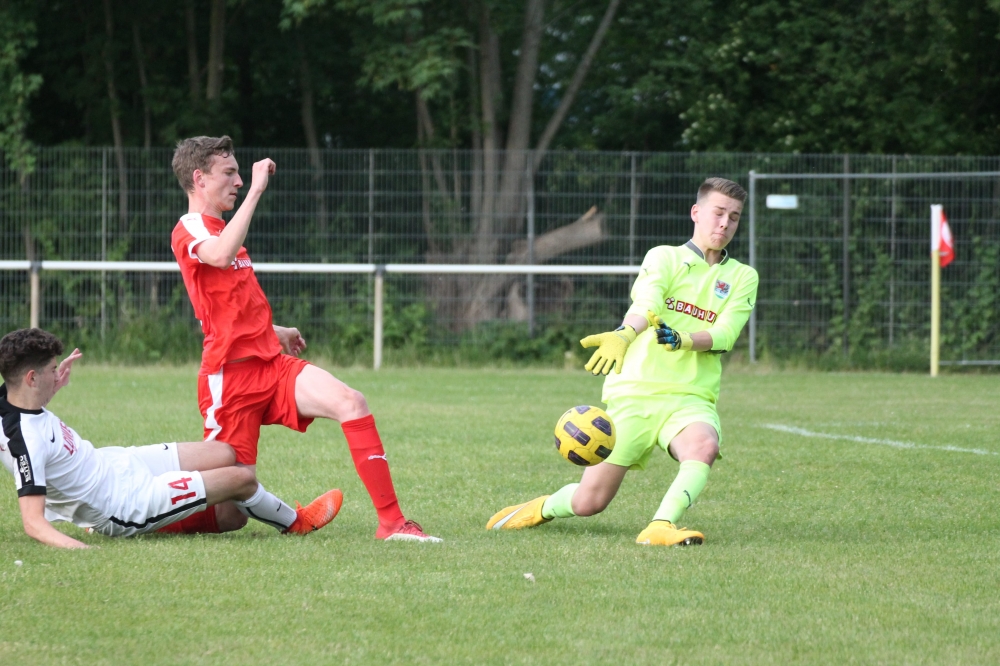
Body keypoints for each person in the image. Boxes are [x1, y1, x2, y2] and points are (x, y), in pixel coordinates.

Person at [168, 135, 439, 542]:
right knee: (230, 512)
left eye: (240, 174)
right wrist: (257, 190)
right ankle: (129, 515)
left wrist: (273, 331)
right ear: (199, 178)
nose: (239, 181)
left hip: (270, 365)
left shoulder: (223, 230)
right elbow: (220, 256)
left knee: (351, 401)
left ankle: (393, 523)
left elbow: (228, 304)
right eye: (229, 173)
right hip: (230, 379)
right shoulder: (191, 227)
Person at [487, 177, 758, 546]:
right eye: (718, 213)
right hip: (635, 394)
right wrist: (625, 334)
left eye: (734, 217)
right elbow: (647, 303)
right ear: (696, 212)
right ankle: (543, 507)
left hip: (690, 397)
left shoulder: (742, 276)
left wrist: (683, 339)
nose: (725, 223)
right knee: (589, 503)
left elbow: (726, 334)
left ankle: (660, 526)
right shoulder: (663, 257)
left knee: (704, 447)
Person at [0, 328, 341, 549]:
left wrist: (52, 389)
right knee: (241, 480)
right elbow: (33, 522)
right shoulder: (24, 440)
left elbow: (28, 417)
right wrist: (84, 552)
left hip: (117, 461)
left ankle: (169, 519)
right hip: (123, 503)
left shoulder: (12, 399)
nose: (58, 373)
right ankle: (296, 523)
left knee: (224, 452)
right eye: (52, 370)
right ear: (31, 378)